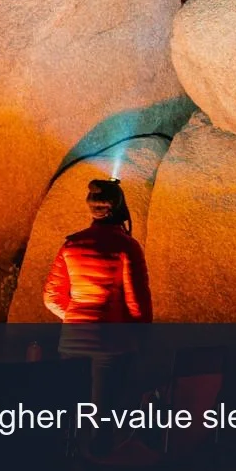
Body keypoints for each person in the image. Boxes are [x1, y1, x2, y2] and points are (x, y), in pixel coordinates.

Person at [42, 179, 152, 447]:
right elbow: (137, 303)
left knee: (70, 413)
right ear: (118, 206)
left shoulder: (71, 245)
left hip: (71, 339)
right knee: (101, 418)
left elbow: (51, 297)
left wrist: (76, 316)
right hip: (109, 341)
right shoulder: (126, 247)